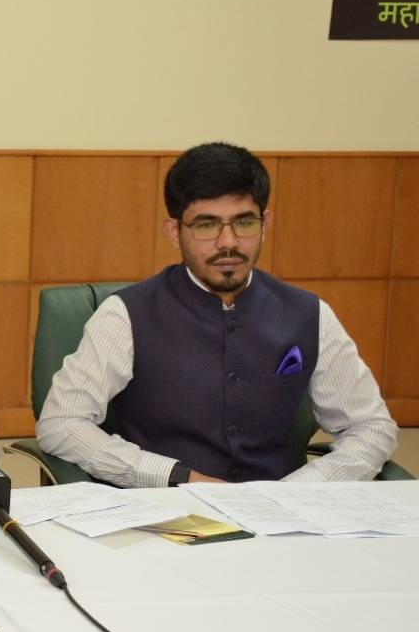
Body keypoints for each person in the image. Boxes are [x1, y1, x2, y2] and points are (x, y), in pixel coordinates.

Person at [36, 142, 398, 488]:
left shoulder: (309, 313)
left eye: (244, 222)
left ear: (265, 224)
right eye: (206, 225)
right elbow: (62, 422)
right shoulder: (125, 315)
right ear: (175, 232)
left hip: (283, 519)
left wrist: (302, 488)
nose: (228, 242)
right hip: (166, 513)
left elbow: (371, 427)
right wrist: (175, 476)